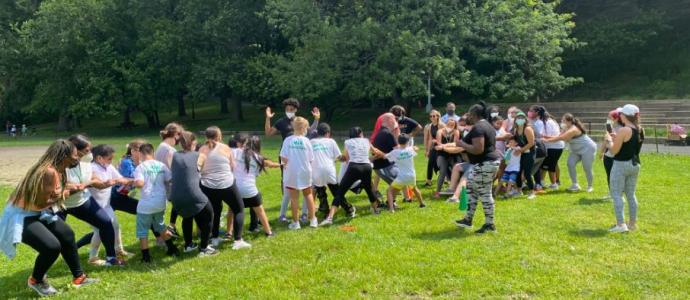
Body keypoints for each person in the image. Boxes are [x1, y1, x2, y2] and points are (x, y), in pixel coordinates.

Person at [0, 140, 97, 296]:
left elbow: (53, 192)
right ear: (63, 156)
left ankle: (79, 277)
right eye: (74, 156)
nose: (77, 158)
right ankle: (36, 280)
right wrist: (66, 193)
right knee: (51, 247)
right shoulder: (48, 171)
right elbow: (41, 202)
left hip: (38, 211)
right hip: (21, 215)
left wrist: (71, 187)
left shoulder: (59, 169)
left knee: (67, 235)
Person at [60, 135, 124, 266]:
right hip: (61, 204)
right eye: (87, 150)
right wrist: (78, 186)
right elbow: (60, 189)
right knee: (56, 238)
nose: (90, 152)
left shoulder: (86, 162)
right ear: (74, 150)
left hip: (81, 201)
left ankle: (111, 258)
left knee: (106, 223)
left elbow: (94, 180)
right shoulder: (61, 164)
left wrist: (103, 183)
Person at [265, 98, 320, 223]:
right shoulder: (281, 122)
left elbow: (310, 131)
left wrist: (316, 119)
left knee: (305, 188)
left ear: (295, 110)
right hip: (287, 155)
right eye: (287, 109)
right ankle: (284, 213)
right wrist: (268, 118)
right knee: (288, 186)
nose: (288, 111)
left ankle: (304, 215)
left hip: (301, 155)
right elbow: (268, 133)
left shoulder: (299, 121)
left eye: (291, 109)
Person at [198, 126, 251, 250]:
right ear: (219, 136)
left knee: (215, 210)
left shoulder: (202, 149)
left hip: (207, 185)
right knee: (239, 209)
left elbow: (200, 166)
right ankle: (238, 240)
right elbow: (233, 166)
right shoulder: (226, 148)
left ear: (206, 136)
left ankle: (215, 238)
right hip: (226, 184)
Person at [454, 102, 502, 234]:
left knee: (485, 193)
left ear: (474, 114)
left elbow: (478, 149)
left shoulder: (479, 127)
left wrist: (461, 143)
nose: (467, 116)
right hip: (485, 164)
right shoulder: (487, 125)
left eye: (469, 113)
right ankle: (467, 219)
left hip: (484, 164)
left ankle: (489, 224)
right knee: (471, 190)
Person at [169, 131, 218, 256]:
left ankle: (188, 245)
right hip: (192, 193)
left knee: (187, 215)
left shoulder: (175, 155)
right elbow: (199, 170)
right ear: (194, 142)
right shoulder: (200, 155)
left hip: (175, 196)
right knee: (209, 213)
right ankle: (204, 248)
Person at [321, 127, 382, 225]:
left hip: (354, 167)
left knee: (340, 193)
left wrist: (336, 159)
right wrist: (374, 155)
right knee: (369, 190)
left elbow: (346, 158)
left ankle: (330, 218)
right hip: (366, 167)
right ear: (360, 133)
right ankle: (376, 210)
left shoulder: (348, 142)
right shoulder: (366, 141)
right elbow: (375, 152)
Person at [85, 145, 134, 263]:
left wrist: (130, 181)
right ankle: (92, 257)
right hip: (93, 206)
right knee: (99, 231)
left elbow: (121, 179)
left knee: (116, 226)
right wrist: (108, 182)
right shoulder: (91, 168)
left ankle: (119, 250)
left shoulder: (109, 167)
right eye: (109, 159)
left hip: (105, 205)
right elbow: (97, 184)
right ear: (99, 158)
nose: (111, 161)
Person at [133, 143, 179, 263]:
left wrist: (132, 182)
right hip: (160, 202)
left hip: (146, 204)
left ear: (141, 154)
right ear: (152, 153)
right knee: (160, 225)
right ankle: (172, 248)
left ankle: (146, 257)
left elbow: (139, 184)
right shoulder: (162, 165)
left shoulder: (140, 167)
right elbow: (170, 179)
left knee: (142, 230)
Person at [607, 104, 644, 233]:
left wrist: (609, 141)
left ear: (624, 116)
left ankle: (621, 225)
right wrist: (616, 139)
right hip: (634, 164)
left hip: (621, 165)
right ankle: (632, 224)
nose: (619, 116)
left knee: (616, 194)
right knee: (631, 195)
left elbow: (613, 151)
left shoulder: (624, 130)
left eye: (621, 114)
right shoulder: (639, 129)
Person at [234, 136, 280, 236]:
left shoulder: (237, 152)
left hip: (235, 189)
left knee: (235, 211)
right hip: (249, 190)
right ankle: (269, 232)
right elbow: (270, 164)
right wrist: (281, 164)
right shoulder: (258, 157)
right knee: (260, 210)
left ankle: (232, 235)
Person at [543, 113, 597, 193]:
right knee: (570, 163)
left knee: (587, 168)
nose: (561, 122)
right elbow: (558, 136)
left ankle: (590, 186)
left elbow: (562, 138)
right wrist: (546, 137)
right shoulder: (566, 128)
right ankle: (575, 185)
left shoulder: (573, 129)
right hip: (576, 150)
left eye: (563, 120)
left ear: (569, 121)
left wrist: (547, 140)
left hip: (587, 148)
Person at [280, 117, 318, 229]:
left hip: (292, 172)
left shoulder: (287, 140)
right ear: (304, 128)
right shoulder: (307, 141)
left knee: (294, 198)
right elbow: (311, 159)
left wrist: (288, 164)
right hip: (305, 171)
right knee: (308, 194)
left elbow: (283, 157)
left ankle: (296, 223)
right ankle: (313, 220)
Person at [155, 122, 183, 237]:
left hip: (163, 184)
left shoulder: (161, 147)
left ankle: (172, 226)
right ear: (176, 134)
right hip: (171, 185)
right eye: (180, 136)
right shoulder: (170, 150)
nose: (180, 139)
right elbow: (175, 170)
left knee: (178, 205)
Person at [384, 134, 426, 211]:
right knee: (415, 189)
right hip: (411, 175)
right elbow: (416, 148)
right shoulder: (410, 149)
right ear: (408, 141)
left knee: (389, 191)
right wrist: (414, 148)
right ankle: (422, 204)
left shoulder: (395, 152)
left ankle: (391, 209)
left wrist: (376, 152)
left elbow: (385, 156)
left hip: (401, 177)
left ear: (398, 141)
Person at [371, 113, 401, 206]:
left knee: (399, 182)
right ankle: (389, 202)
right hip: (384, 167)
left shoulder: (382, 132)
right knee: (399, 182)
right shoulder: (387, 133)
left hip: (385, 165)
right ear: (389, 121)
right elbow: (397, 151)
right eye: (394, 120)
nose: (395, 122)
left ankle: (389, 201)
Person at [310, 123, 341, 213]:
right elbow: (339, 157)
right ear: (328, 133)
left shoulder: (311, 142)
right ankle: (348, 208)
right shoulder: (331, 141)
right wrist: (346, 158)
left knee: (319, 188)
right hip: (329, 170)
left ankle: (324, 206)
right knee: (336, 191)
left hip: (316, 172)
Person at [535, 106, 565, 190]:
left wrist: (540, 137)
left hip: (553, 146)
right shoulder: (552, 120)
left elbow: (544, 135)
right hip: (556, 146)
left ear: (537, 113)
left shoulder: (542, 122)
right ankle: (542, 182)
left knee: (549, 166)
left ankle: (554, 184)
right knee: (547, 165)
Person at [511, 112, 538, 199]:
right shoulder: (515, 130)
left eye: (522, 118)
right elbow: (516, 141)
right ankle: (519, 191)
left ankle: (532, 192)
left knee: (527, 173)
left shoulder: (527, 129)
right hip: (520, 153)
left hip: (529, 153)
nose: (520, 119)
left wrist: (521, 150)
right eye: (518, 118)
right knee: (518, 171)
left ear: (525, 119)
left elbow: (531, 143)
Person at [434, 118, 463, 197]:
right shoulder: (439, 131)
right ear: (445, 124)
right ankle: (437, 191)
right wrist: (444, 146)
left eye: (452, 125)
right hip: (442, 154)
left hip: (454, 154)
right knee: (442, 172)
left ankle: (456, 190)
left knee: (457, 170)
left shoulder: (456, 131)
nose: (450, 126)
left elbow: (455, 143)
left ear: (455, 125)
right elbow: (438, 143)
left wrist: (444, 146)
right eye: (448, 124)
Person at [599, 109, 621, 198]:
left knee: (616, 176)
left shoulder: (621, 129)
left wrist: (610, 138)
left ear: (616, 118)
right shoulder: (610, 128)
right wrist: (601, 152)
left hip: (616, 155)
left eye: (610, 117)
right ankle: (611, 193)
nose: (608, 119)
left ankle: (617, 194)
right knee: (609, 175)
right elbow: (605, 140)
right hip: (608, 156)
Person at [423, 110, 444, 187]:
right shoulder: (430, 126)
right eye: (431, 116)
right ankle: (428, 181)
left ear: (438, 116)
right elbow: (429, 139)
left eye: (434, 116)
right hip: (433, 147)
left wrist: (438, 141)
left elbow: (445, 137)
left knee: (440, 164)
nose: (432, 117)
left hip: (441, 147)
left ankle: (445, 178)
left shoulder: (442, 125)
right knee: (430, 163)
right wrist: (427, 150)